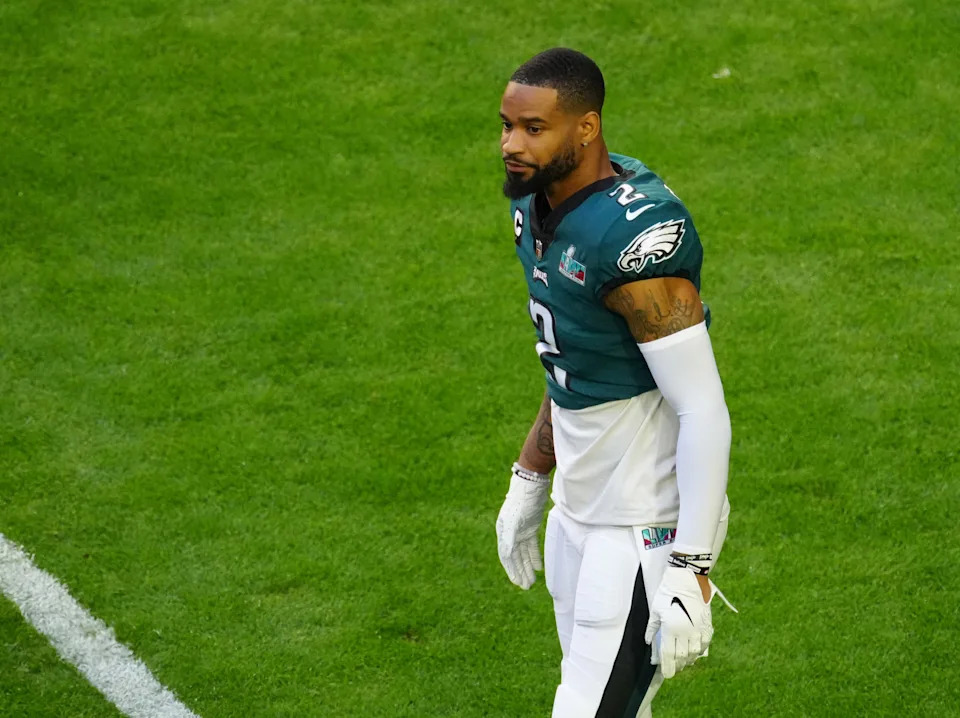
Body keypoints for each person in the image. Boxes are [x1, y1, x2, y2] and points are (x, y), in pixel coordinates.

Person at [494, 48, 734, 718]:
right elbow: (574, 363)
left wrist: (691, 565)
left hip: (643, 527)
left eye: (533, 128)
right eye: (507, 126)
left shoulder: (633, 240)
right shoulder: (535, 205)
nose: (511, 145)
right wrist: (530, 475)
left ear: (587, 128)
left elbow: (703, 408)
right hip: (579, 508)